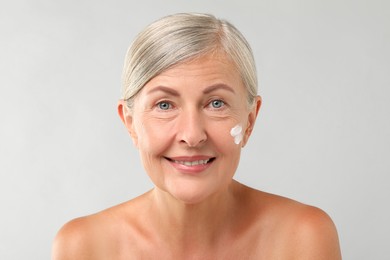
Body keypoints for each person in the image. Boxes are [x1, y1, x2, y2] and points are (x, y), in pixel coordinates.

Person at [52, 13, 342, 259]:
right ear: (130, 123)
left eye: (216, 103)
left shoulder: (303, 239)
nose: (192, 136)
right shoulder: (84, 247)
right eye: (164, 105)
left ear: (250, 120)